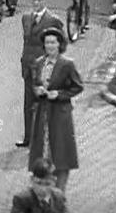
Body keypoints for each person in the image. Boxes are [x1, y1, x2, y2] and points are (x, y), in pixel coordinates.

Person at [29, 28, 83, 192]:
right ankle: (44, 191)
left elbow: (78, 86)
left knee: (60, 153)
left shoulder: (67, 64)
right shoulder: (39, 63)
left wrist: (59, 94)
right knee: (43, 152)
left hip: (60, 114)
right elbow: (35, 83)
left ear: (60, 44)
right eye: (47, 42)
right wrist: (37, 90)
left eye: (53, 42)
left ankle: (60, 193)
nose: (50, 46)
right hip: (43, 113)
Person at [18, 0, 64, 148]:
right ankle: (28, 137)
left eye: (39, 0)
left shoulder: (53, 20)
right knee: (28, 103)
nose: (36, 3)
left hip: (43, 68)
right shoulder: (25, 18)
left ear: (45, 1)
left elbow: (60, 43)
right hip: (28, 66)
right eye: (33, 0)